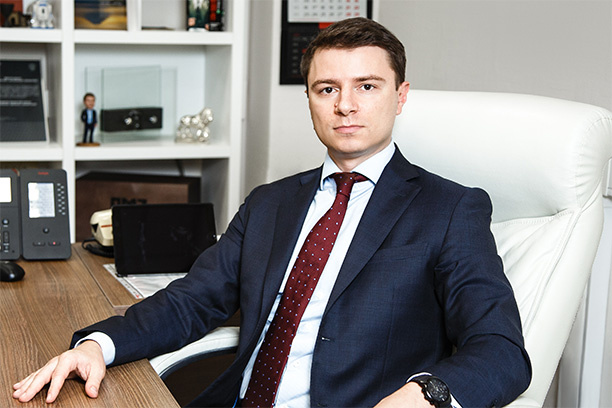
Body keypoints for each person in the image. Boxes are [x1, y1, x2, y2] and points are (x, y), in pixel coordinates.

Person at [12, 18, 531, 407]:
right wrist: (99, 345)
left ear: (400, 96)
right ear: (309, 100)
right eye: (327, 89)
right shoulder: (270, 202)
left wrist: (424, 395)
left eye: (367, 86)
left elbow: (501, 350)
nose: (345, 105)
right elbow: (193, 300)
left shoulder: (450, 209)